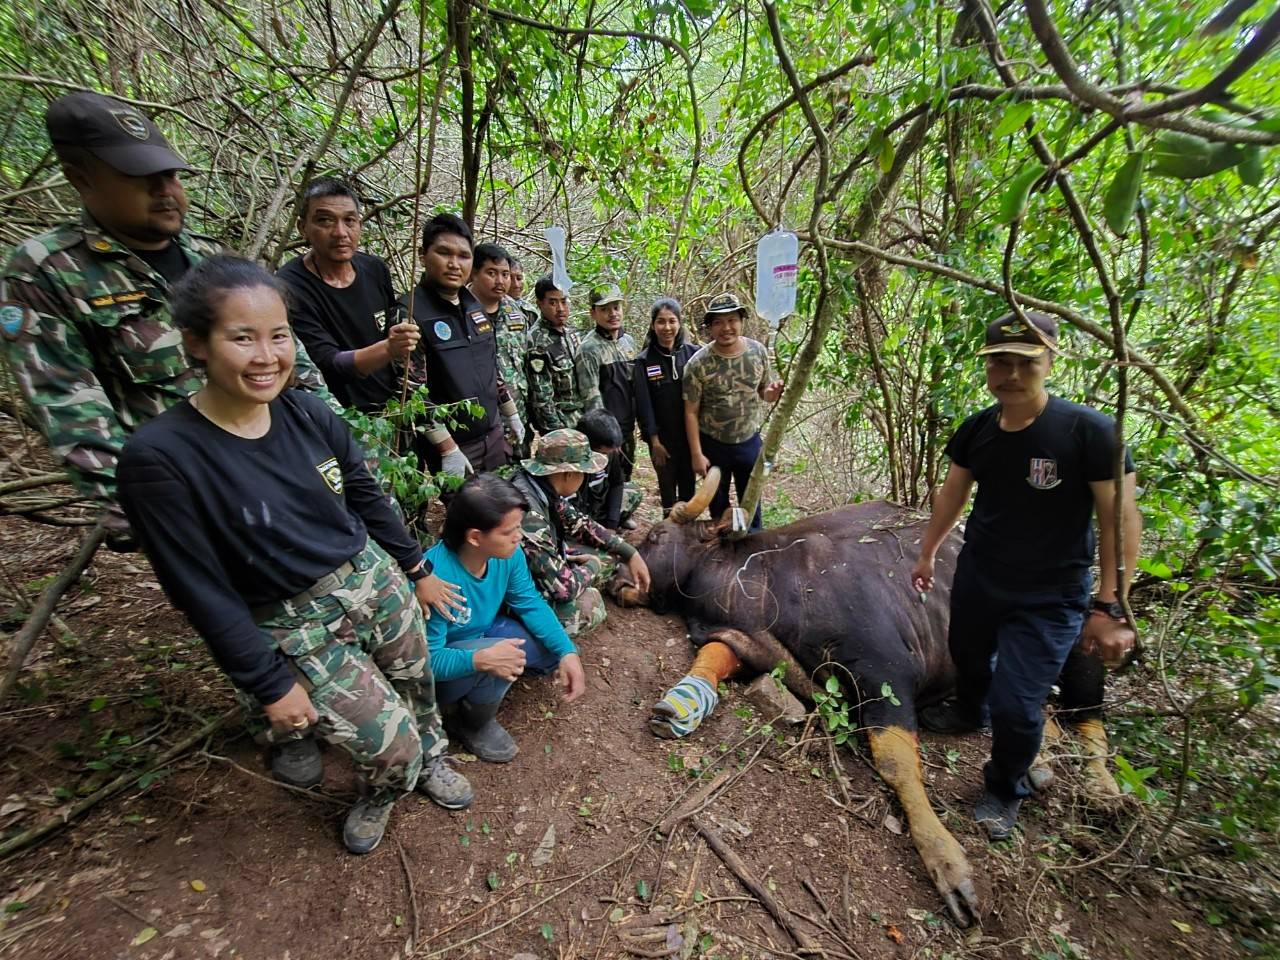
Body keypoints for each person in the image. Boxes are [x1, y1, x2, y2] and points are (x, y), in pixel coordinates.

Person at [0, 91, 335, 787]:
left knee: (315, 585)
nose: (167, 191)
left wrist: (337, 449)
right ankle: (282, 719)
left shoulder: (211, 266)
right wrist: (144, 513)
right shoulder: (47, 274)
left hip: (277, 461)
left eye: (173, 174)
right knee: (236, 608)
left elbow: (292, 367)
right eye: (142, 176)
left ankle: (336, 693)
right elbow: (71, 412)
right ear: (80, 175)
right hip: (188, 488)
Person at [116, 256, 473, 855]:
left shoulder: (306, 410)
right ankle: (388, 785)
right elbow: (199, 589)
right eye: (242, 338)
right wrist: (269, 684)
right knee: (386, 742)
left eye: (278, 335)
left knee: (418, 691)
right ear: (197, 344)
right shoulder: (161, 457)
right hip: (294, 620)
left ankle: (432, 757)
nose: (266, 356)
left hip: (373, 580)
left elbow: (363, 492)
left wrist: (415, 568)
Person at [910, 309, 1140, 840]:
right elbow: (952, 494)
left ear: (1049, 362)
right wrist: (928, 554)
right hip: (980, 574)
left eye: (1025, 363)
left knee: (1018, 703)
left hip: (1051, 594)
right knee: (967, 656)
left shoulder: (1090, 433)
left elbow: (1120, 519)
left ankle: (1005, 783)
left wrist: (1110, 605)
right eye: (1000, 363)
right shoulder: (979, 430)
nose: (1011, 374)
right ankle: (971, 710)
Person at [423, 474, 586, 762]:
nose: (519, 536)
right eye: (509, 531)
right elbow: (425, 663)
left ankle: (484, 681)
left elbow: (529, 602)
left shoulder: (507, 555)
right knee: (506, 654)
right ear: (474, 537)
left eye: (519, 527)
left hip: (483, 633)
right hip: (443, 665)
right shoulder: (435, 579)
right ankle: (471, 721)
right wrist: (480, 660)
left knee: (553, 648)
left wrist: (566, 651)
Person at [276, 177, 420, 412]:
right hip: (338, 417)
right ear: (303, 228)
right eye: (325, 221)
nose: (340, 232)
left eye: (349, 220)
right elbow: (327, 363)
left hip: (390, 409)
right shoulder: (288, 287)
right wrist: (388, 348)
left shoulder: (375, 269)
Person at [402, 214, 524, 478]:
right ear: (423, 256)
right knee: (470, 517)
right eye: (444, 253)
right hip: (454, 443)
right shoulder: (411, 311)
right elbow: (413, 394)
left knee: (505, 511)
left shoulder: (473, 306)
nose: (454, 264)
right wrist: (447, 448)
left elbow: (491, 368)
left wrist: (510, 412)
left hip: (492, 434)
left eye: (463, 256)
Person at [512, 430, 651, 637]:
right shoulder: (529, 514)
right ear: (569, 474)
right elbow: (563, 589)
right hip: (506, 595)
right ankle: (517, 634)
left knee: (607, 559)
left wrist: (629, 552)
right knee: (589, 608)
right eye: (583, 472)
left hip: (521, 574)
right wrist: (592, 565)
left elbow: (580, 523)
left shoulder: (536, 486)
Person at [683, 293, 783, 532]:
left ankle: (752, 545)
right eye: (718, 322)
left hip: (748, 441)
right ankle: (723, 549)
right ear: (709, 327)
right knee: (718, 506)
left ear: (742, 320)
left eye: (731, 320)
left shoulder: (757, 352)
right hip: (713, 444)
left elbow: (762, 392)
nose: (726, 328)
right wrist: (697, 454)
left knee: (751, 502)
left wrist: (773, 393)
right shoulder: (698, 364)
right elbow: (690, 412)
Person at [633, 297, 699, 514]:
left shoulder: (694, 354)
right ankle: (669, 535)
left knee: (689, 491)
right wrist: (654, 441)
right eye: (661, 322)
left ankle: (687, 535)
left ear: (680, 323)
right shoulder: (644, 361)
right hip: (663, 441)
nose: (667, 327)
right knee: (668, 493)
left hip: (690, 438)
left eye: (672, 321)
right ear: (653, 325)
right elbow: (644, 404)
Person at [469, 243, 531, 456]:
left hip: (517, 416)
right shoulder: (461, 311)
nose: (500, 281)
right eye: (491, 273)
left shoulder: (514, 310)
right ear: (473, 273)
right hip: (479, 423)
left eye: (505, 274)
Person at [576, 283, 638, 481]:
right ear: (593, 313)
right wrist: (607, 437)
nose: (612, 314)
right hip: (605, 434)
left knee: (625, 478)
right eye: (604, 309)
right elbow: (591, 398)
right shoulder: (589, 348)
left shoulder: (628, 342)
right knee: (605, 483)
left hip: (628, 429)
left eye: (616, 307)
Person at [525, 274, 585, 434]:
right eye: (553, 302)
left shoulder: (571, 332)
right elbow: (541, 396)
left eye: (563, 301)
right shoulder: (537, 341)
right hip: (560, 424)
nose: (560, 309)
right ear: (540, 304)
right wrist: (557, 433)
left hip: (583, 418)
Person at [574, 409, 642, 531]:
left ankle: (612, 520)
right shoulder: (572, 461)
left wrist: (612, 523)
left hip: (600, 507)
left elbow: (616, 483)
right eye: (603, 453)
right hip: (579, 511)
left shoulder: (611, 453)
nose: (609, 455)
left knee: (634, 491)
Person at [508, 256, 540, 327]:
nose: (516, 284)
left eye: (519, 278)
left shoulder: (529, 310)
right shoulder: (491, 307)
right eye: (510, 279)